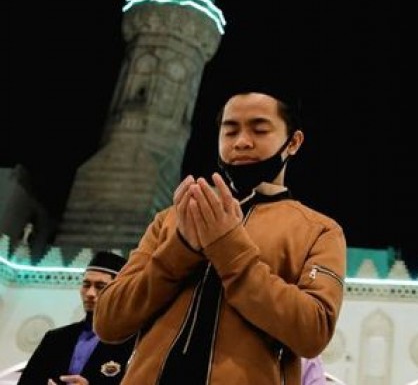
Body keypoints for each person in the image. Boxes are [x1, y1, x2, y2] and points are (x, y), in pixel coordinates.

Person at [93, 84, 347, 385]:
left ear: (293, 142)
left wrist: (227, 247)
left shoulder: (318, 230)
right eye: (230, 131)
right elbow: (109, 321)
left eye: (259, 130)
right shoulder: (173, 219)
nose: (241, 142)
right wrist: (182, 248)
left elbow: (312, 332)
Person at [19, 251, 134, 385]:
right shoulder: (55, 339)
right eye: (86, 285)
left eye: (100, 287)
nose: (90, 293)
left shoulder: (132, 343)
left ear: (119, 291)